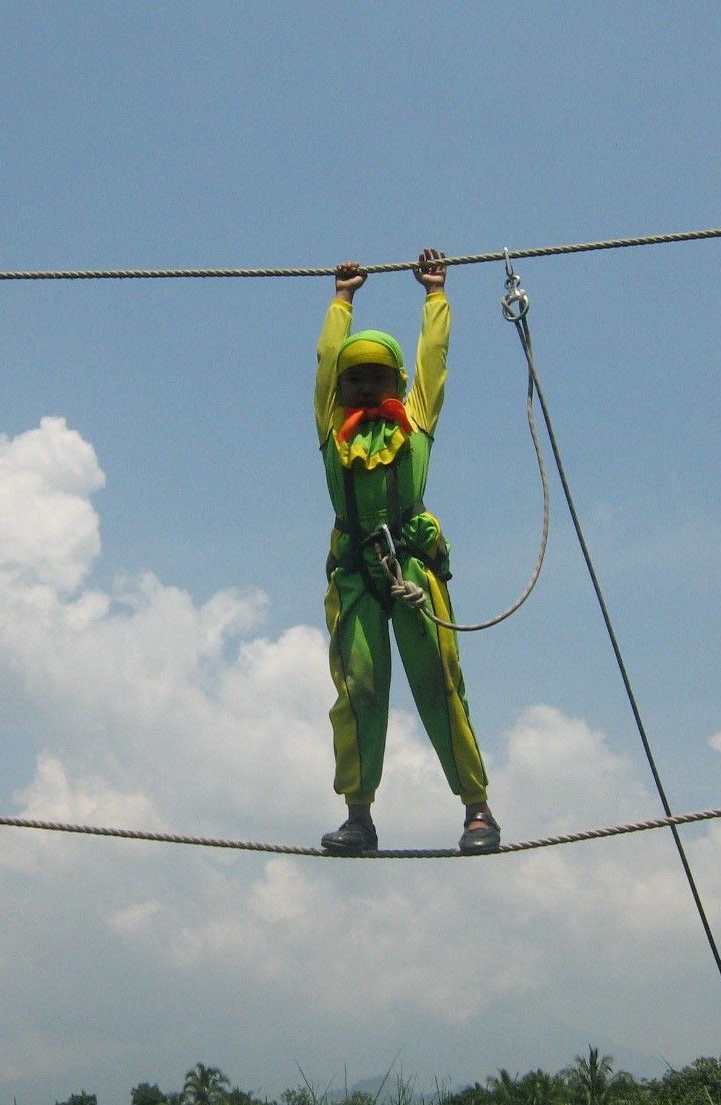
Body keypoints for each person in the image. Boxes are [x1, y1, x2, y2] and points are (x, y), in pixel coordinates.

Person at [314, 246, 501, 855]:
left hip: (411, 567)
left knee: (438, 680)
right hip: (355, 573)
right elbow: (324, 361)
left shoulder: (413, 422)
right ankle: (359, 816)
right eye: (354, 377)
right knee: (360, 690)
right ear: (341, 388)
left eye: (377, 376)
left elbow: (433, 362)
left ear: (394, 383)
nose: (365, 386)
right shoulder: (330, 428)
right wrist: (340, 301)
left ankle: (478, 809)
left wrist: (435, 294)